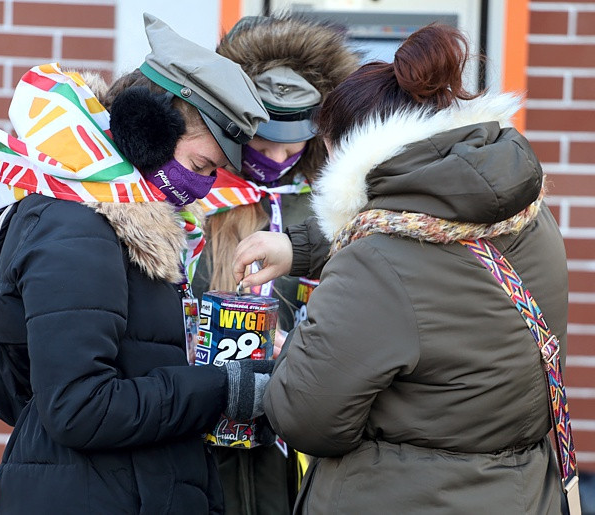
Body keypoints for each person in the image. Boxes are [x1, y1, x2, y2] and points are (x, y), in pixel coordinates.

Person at [0, 14, 275, 514]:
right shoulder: (78, 231)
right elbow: (80, 408)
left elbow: (132, 362)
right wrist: (225, 388)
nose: (205, 187)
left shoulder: (121, 226)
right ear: (144, 132)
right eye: (200, 166)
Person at [243, 23, 569, 514]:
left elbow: (306, 418)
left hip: (404, 495)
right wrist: (302, 247)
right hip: (518, 490)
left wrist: (296, 349)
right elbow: (434, 258)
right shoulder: (520, 211)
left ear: (351, 155)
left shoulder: (376, 263)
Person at [189, 14, 359, 515]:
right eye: (264, 144)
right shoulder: (196, 197)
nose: (279, 158)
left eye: (294, 145)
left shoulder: (330, 206)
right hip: (202, 426)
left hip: (294, 432)